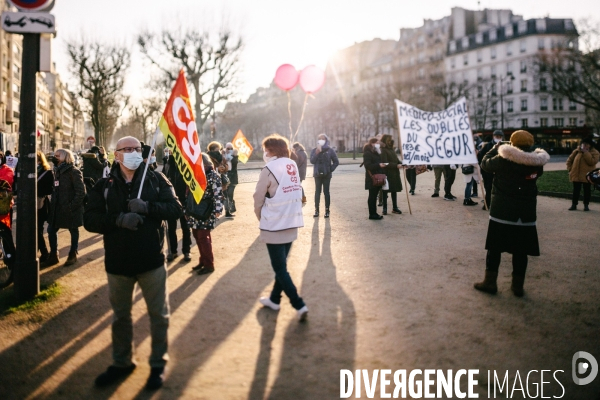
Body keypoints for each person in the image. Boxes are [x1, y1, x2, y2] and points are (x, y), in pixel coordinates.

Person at [84, 136, 182, 390]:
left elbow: (175, 209)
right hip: (117, 262)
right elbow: (89, 219)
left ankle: (158, 363)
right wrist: (118, 220)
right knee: (120, 317)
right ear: (116, 155)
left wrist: (147, 207)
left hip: (151, 260)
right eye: (126, 149)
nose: (132, 153)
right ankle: (122, 362)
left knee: (159, 315)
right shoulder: (104, 185)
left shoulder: (156, 179)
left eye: (136, 149)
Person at [475, 130, 550, 297]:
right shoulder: (537, 162)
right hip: (525, 213)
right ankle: (517, 286)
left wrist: (496, 148)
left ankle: (490, 282)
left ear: (512, 143)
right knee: (521, 251)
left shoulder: (503, 159)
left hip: (502, 211)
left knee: (494, 248)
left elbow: (485, 163)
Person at [254, 134, 308, 321]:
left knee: (280, 269)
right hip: (292, 221)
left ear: (271, 150)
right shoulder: (291, 164)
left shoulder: (268, 168)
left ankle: (298, 304)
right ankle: (274, 299)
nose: (264, 152)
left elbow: (258, 197)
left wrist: (262, 217)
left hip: (274, 223)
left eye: (265, 149)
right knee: (282, 266)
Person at [44, 149, 86, 267]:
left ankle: (73, 253)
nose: (54, 157)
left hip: (69, 208)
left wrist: (71, 206)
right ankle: (54, 254)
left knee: (73, 230)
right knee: (51, 230)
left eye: (57, 156)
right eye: (54, 155)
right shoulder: (56, 171)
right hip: (57, 208)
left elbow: (81, 192)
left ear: (65, 157)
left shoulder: (74, 172)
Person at [188, 154, 223, 275]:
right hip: (194, 210)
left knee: (203, 237)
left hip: (206, 211)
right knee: (198, 236)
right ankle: (203, 260)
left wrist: (218, 209)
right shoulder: (195, 174)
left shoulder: (213, 175)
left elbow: (218, 193)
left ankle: (209, 264)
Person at [165, 151, 192, 262]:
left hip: (184, 201)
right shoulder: (167, 164)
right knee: (171, 228)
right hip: (171, 202)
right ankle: (173, 251)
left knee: (186, 227)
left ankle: (186, 251)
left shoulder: (187, 164)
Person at [310, 133, 339, 218]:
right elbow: (312, 161)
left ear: (326, 140)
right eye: (320, 139)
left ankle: (327, 210)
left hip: (327, 175)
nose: (321, 140)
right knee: (317, 192)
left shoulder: (330, 150)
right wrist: (317, 152)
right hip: (317, 174)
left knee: (326, 192)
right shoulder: (314, 150)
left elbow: (336, 162)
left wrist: (330, 169)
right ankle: (316, 210)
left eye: (323, 139)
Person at [566, 137, 599, 211]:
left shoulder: (595, 153)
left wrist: (586, 152)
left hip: (587, 175)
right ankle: (574, 204)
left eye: (586, 144)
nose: (584, 146)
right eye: (583, 144)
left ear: (590, 145)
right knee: (576, 190)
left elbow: (592, 162)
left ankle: (586, 205)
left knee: (587, 190)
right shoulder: (577, 151)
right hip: (576, 174)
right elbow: (569, 160)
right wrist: (570, 169)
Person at [478, 130, 504, 210]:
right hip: (488, 172)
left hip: (500, 171)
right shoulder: (487, 146)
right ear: (493, 137)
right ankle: (487, 203)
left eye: (499, 137)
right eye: (497, 137)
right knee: (488, 188)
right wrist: (482, 168)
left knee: (500, 188)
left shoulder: (505, 145)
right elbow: (481, 157)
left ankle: (498, 203)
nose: (498, 138)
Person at [36, 151, 54, 264]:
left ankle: (44, 252)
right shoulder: (28, 171)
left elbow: (49, 189)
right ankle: (40, 251)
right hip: (31, 205)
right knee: (35, 230)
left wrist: (38, 192)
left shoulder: (47, 173)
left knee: (38, 230)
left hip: (41, 204)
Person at [207, 141, 232, 218]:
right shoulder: (208, 157)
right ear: (211, 150)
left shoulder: (221, 157)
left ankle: (227, 211)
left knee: (225, 195)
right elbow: (208, 168)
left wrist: (224, 168)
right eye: (216, 150)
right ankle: (215, 213)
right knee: (216, 197)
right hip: (213, 180)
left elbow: (226, 165)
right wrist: (217, 169)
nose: (218, 151)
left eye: (219, 149)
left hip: (221, 179)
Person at [363, 137, 386, 220]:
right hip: (372, 177)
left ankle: (374, 213)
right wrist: (379, 165)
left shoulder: (376, 152)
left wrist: (381, 165)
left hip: (377, 176)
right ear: (372, 143)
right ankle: (372, 214)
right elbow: (368, 165)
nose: (378, 144)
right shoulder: (368, 153)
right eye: (377, 142)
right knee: (372, 196)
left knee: (374, 195)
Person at [379, 134, 402, 214]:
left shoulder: (392, 149)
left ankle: (395, 207)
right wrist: (396, 165)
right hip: (387, 173)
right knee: (385, 191)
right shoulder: (383, 150)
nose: (391, 140)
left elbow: (396, 159)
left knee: (394, 191)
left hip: (395, 173)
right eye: (389, 139)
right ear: (386, 140)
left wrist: (401, 164)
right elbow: (385, 162)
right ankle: (384, 208)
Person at [0, 152, 15, 271]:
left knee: (6, 232)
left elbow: (8, 181)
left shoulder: (7, 169)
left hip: (4, 205)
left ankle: (10, 257)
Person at [224, 142, 239, 214]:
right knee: (226, 194)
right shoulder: (223, 154)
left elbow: (235, 162)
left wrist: (232, 155)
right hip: (225, 176)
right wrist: (223, 154)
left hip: (233, 177)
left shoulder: (235, 155)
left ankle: (231, 206)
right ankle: (228, 210)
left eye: (231, 148)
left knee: (230, 192)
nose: (230, 150)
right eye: (228, 148)